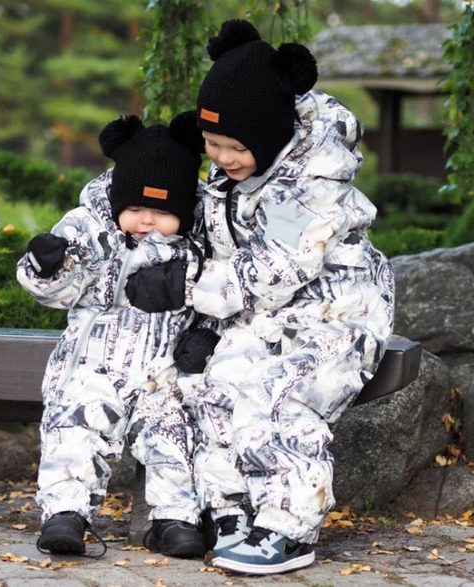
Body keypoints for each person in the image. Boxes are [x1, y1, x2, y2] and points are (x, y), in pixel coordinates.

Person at [125, 19, 395, 575]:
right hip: (260, 317)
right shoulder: (238, 175)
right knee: (212, 385)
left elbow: (275, 269)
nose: (222, 157)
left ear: (270, 135)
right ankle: (232, 511)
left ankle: (289, 529)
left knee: (278, 395)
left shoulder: (315, 184)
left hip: (335, 317)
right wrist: (205, 326)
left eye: (236, 146)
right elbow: (221, 249)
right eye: (212, 144)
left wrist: (184, 287)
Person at [16, 112, 215, 559]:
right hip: (93, 363)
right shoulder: (90, 229)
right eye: (137, 209)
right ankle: (65, 514)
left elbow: (221, 298)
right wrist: (47, 268)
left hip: (165, 368)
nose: (147, 221)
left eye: (162, 212)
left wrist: (205, 336)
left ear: (183, 211)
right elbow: (63, 290)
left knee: (175, 433)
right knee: (74, 426)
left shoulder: (200, 244)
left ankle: (175, 519)